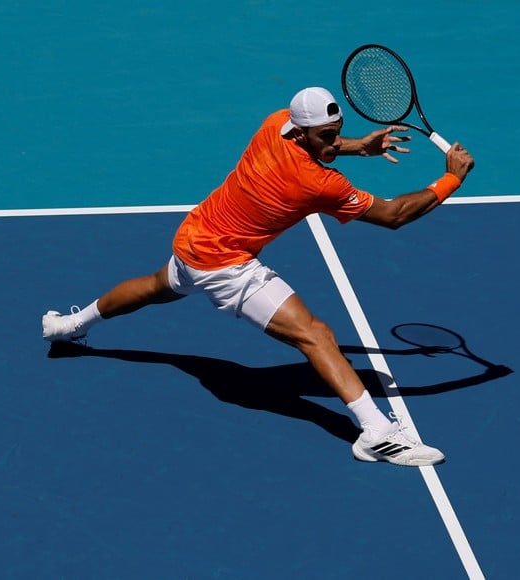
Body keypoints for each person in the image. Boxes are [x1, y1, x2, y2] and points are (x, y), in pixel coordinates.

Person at [42, 86, 475, 467]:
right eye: (326, 136)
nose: (332, 141)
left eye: (336, 131)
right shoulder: (319, 183)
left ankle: (69, 326)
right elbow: (394, 215)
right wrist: (450, 178)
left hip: (196, 235)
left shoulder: (275, 124)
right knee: (314, 334)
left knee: (159, 286)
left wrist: (358, 146)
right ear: (301, 132)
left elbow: (320, 142)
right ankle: (376, 434)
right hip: (226, 265)